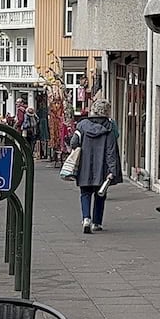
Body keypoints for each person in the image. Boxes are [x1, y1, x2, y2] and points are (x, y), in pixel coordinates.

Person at [68, 99, 122, 234]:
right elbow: (111, 150)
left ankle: (86, 218)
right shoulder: (109, 127)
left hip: (85, 164)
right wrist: (111, 170)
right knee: (100, 194)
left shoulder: (82, 125)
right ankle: (97, 223)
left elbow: (74, 142)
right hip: (102, 166)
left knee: (85, 193)